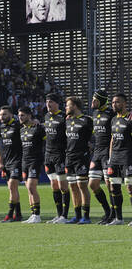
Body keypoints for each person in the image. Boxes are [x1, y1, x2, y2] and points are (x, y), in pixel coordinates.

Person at [65, 97, 93, 224]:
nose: (66, 107)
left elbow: (96, 135)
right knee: (72, 186)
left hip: (81, 157)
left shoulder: (87, 121)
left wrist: (91, 145)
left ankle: (86, 216)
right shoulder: (67, 121)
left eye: (68, 105)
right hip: (69, 157)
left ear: (75, 106)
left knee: (82, 185)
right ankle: (77, 216)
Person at [88, 90, 115, 225]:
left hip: (108, 153)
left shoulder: (111, 113)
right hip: (97, 153)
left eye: (95, 100)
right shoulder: (94, 113)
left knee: (110, 184)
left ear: (102, 100)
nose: (93, 102)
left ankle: (114, 214)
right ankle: (107, 211)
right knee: (92, 184)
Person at [44, 93, 70, 224]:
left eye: (51, 102)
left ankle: (65, 216)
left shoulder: (64, 117)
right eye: (47, 102)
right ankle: (59, 214)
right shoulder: (46, 116)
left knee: (63, 185)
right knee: (54, 185)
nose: (48, 104)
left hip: (60, 155)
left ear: (57, 103)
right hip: (48, 155)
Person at [107, 93, 132, 226]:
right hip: (115, 158)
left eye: (117, 102)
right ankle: (119, 218)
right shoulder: (113, 120)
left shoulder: (130, 118)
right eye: (112, 102)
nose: (114, 104)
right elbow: (112, 139)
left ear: (124, 103)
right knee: (114, 186)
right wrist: (110, 158)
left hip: (128, 157)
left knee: (130, 186)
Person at [18, 107, 45, 224]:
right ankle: (33, 214)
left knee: (31, 186)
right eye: (19, 115)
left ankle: (37, 215)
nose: (20, 117)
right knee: (28, 188)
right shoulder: (21, 130)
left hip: (35, 160)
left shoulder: (38, 128)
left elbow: (47, 140)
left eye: (22, 115)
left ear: (29, 116)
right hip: (25, 161)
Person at [0, 106, 23, 222]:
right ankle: (18, 215)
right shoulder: (2, 127)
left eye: (4, 114)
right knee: (12, 189)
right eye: (1, 115)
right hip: (7, 162)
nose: (2, 117)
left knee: (12, 186)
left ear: (11, 115)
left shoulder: (18, 126)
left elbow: (30, 127)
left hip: (17, 161)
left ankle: (9, 214)